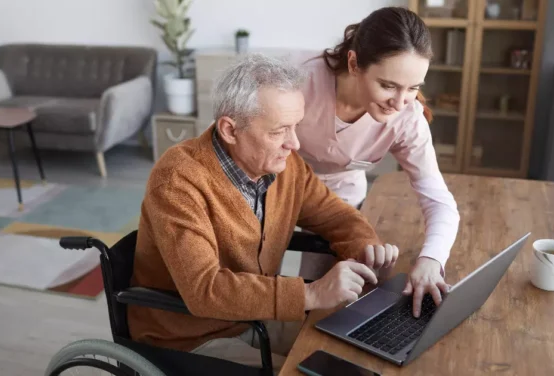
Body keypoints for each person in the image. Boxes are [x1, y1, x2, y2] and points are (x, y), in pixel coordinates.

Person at [127, 54, 399, 374]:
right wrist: (310, 293)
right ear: (230, 129)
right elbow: (205, 290)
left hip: (256, 317)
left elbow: (334, 215)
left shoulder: (284, 166)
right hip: (190, 337)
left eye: (296, 126)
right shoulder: (177, 180)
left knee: (356, 352)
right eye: (279, 131)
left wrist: (366, 247)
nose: (294, 143)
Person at [294, 6, 460, 318]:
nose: (399, 103)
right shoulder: (300, 82)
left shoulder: (407, 119)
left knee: (330, 299)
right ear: (355, 63)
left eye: (413, 88)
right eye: (388, 85)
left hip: (341, 200)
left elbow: (439, 200)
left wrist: (432, 259)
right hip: (279, 189)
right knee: (283, 288)